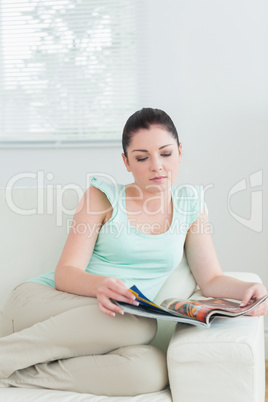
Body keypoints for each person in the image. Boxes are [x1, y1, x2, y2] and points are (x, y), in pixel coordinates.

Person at [0, 108, 267, 396]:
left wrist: (247, 289)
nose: (157, 166)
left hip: (114, 319)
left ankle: (15, 374)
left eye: (165, 153)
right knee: (139, 326)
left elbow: (211, 278)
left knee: (149, 371)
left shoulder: (191, 204)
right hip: (42, 302)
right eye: (142, 158)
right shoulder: (101, 196)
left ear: (179, 152)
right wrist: (100, 285)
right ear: (126, 162)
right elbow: (65, 274)